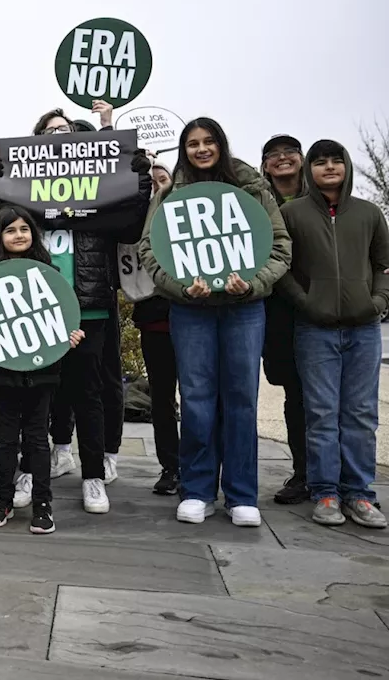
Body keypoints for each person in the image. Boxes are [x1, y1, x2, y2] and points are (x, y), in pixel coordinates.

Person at [0, 105, 151, 515]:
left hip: (88, 309)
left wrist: (134, 163)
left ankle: (93, 477)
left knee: (87, 395)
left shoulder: (101, 197)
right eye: (48, 132)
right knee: (35, 395)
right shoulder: (26, 203)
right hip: (36, 306)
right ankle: (28, 470)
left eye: (65, 130)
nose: (58, 137)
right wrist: (6, 162)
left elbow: (133, 213)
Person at [139, 118, 291, 527]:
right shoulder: (170, 193)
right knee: (197, 399)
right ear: (183, 150)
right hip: (191, 310)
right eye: (192, 144)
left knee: (241, 399)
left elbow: (279, 246)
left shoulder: (252, 187)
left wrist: (252, 285)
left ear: (221, 145)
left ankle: (242, 494)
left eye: (208, 142)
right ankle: (198, 490)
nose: (201, 149)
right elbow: (149, 249)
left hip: (244, 308)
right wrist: (180, 289)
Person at [276, 140, 389, 529]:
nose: (328, 167)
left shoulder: (370, 213)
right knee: (321, 414)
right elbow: (282, 268)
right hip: (314, 329)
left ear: (346, 167)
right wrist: (305, 303)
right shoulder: (291, 213)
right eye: (320, 161)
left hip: (365, 328)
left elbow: (383, 265)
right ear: (310, 168)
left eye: (335, 160)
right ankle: (325, 492)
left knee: (361, 414)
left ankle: (359, 494)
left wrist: (378, 301)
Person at [0, 206, 85, 534]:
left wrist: (71, 335)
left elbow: (64, 316)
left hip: (43, 369)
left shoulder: (49, 273)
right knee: (6, 438)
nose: (18, 235)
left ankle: (43, 503)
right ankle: (4, 499)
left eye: (24, 229)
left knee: (36, 437)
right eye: (10, 230)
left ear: (33, 234)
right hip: (0, 368)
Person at [122, 163, 180, 495]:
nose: (158, 186)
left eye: (163, 180)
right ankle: (171, 466)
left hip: (194, 320)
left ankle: (199, 465)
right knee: (161, 398)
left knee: (200, 398)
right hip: (156, 323)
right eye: (152, 182)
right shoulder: (137, 221)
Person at [260, 134, 310, 505]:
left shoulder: (324, 198)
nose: (282, 159)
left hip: (321, 307)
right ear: (264, 165)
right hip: (277, 310)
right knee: (294, 392)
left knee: (324, 399)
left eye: (289, 152)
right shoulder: (258, 202)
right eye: (273, 155)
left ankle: (333, 474)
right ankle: (304, 472)